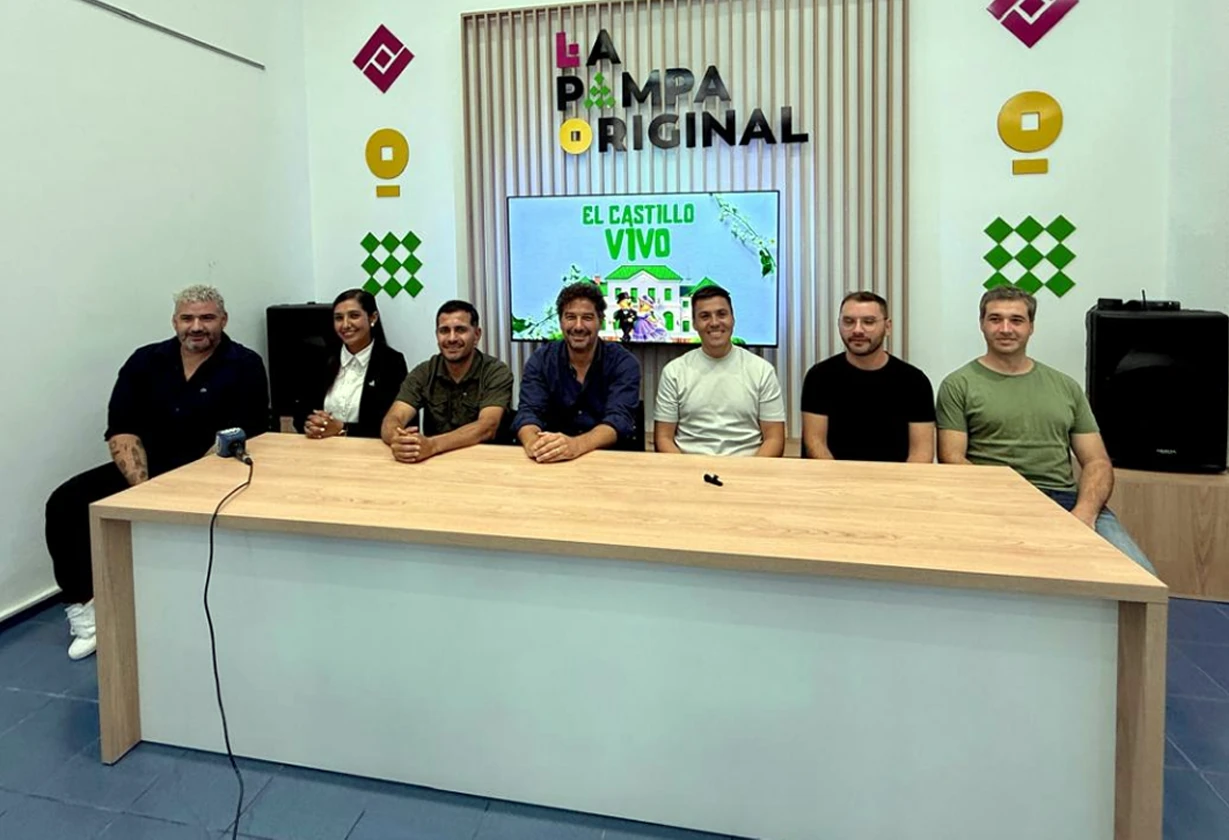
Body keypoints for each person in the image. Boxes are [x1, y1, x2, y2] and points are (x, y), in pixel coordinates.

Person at [44, 285, 269, 659]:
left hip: (211, 469)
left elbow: (240, 432)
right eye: (187, 318)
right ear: (174, 321)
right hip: (145, 470)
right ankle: (88, 610)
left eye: (207, 318)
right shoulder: (145, 360)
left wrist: (179, 489)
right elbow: (121, 428)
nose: (196, 326)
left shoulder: (245, 364)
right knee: (65, 502)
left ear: (224, 320)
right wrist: (144, 491)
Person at [935, 286, 1155, 572]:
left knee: (1139, 573)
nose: (1005, 329)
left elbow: (1097, 462)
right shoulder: (958, 385)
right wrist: (1011, 503)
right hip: (993, 501)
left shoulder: (1065, 386)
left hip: (1065, 500)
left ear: (1031, 327)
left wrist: (1084, 513)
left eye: (1016, 320)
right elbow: (952, 459)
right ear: (982, 324)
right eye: (995, 319)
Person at [513, 281, 642, 462]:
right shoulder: (541, 360)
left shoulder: (624, 363)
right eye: (570, 317)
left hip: (607, 459)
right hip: (550, 460)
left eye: (587, 318)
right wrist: (535, 445)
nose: (578, 326)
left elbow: (619, 420)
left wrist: (576, 445)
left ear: (600, 321)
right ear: (560, 321)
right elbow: (528, 413)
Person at [800, 291, 935, 462]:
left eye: (868, 322)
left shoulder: (914, 382)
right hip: (832, 476)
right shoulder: (819, 377)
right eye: (848, 321)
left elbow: (921, 452)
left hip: (895, 477)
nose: (857, 330)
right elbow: (815, 444)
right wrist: (839, 477)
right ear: (838, 324)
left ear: (887, 327)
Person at [654, 285, 785, 457]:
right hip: (690, 467)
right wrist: (688, 469)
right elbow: (663, 438)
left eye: (721, 314)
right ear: (694, 323)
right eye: (705, 316)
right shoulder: (674, 372)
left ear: (733, 319)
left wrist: (750, 470)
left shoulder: (762, 371)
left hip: (747, 466)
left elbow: (774, 439)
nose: (714, 323)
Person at [381, 300, 513, 462]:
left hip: (486, 461)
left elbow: (487, 427)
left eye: (460, 330)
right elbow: (394, 417)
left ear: (477, 334)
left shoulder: (496, 372)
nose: (452, 338)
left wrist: (433, 445)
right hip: (434, 461)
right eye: (444, 331)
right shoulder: (424, 372)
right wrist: (399, 440)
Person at [296, 289, 407, 440]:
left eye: (354, 316)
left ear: (373, 317)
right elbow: (300, 413)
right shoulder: (321, 359)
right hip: (320, 446)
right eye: (339, 318)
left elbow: (392, 424)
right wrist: (312, 424)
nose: (345, 325)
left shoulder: (391, 362)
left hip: (369, 450)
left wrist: (342, 428)